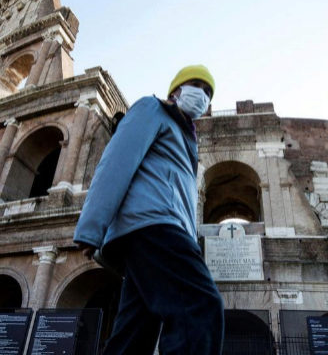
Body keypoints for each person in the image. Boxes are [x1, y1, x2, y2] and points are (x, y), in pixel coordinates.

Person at [73, 65, 224, 355]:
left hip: (161, 232)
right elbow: (116, 162)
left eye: (208, 93)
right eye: (197, 86)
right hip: (153, 227)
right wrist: (92, 227)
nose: (202, 96)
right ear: (176, 90)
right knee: (201, 306)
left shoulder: (187, 141)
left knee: (133, 335)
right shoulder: (151, 110)